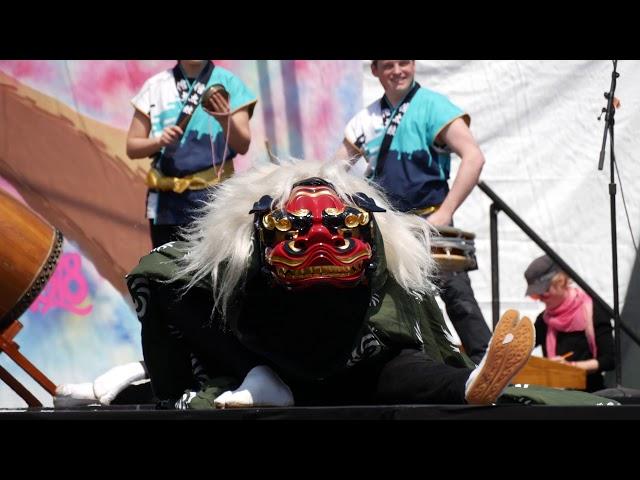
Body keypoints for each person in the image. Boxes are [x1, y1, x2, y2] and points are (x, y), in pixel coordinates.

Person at [125, 160, 535, 409]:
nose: (321, 238)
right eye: (297, 227)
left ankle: (466, 383)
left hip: (353, 360)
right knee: (169, 280)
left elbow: (398, 328)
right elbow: (159, 268)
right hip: (262, 356)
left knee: (399, 365)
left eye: (340, 225)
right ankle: (257, 374)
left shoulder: (376, 252)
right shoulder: (247, 250)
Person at [335, 60, 490, 363]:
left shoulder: (434, 106)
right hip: (387, 226)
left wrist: (445, 213)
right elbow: (334, 169)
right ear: (375, 71)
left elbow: (474, 157)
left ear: (414, 65)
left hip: (429, 219)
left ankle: (486, 360)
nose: (397, 71)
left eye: (403, 62)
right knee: (390, 301)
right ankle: (408, 366)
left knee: (455, 294)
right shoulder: (365, 119)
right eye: (388, 65)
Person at [126, 60, 257, 248]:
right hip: (167, 199)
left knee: (212, 271)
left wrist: (225, 120)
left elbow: (242, 145)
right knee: (166, 269)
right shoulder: (155, 86)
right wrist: (158, 141)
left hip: (215, 197)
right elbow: (132, 146)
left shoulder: (228, 82)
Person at [524, 254, 615, 392]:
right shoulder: (543, 320)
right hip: (555, 396)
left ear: (560, 282)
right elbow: (522, 349)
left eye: (544, 293)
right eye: (535, 296)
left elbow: (610, 359)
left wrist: (570, 368)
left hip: (590, 396)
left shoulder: (593, 311)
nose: (540, 299)